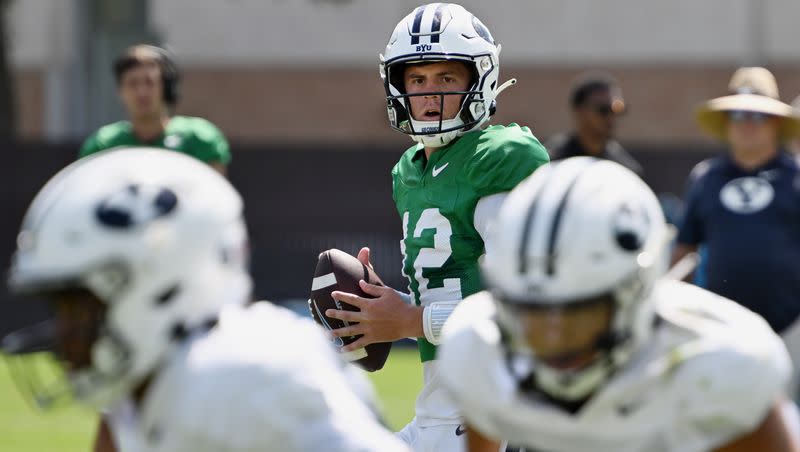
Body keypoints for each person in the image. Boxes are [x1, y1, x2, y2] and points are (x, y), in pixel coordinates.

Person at [1, 148, 409, 452]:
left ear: (159, 286)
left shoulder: (243, 374)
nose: (65, 332)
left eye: (79, 306)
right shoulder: (147, 386)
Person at [438, 157, 798, 452]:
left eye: (575, 315)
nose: (553, 338)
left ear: (636, 292)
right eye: (531, 312)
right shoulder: (477, 347)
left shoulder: (720, 364)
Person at [322, 4, 549, 452]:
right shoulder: (410, 171)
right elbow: (456, 292)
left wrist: (409, 319)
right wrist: (382, 309)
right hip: (439, 411)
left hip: (494, 414)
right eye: (417, 79)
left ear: (479, 80)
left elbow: (530, 310)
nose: (430, 95)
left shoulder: (498, 158)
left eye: (446, 78)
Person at [672, 67, 800, 396]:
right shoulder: (705, 178)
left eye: (757, 115)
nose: (746, 124)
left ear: (775, 123)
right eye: (738, 114)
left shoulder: (795, 178)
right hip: (720, 332)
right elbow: (684, 252)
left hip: (791, 330)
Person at [79, 45, 230, 175]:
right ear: (121, 92)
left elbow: (214, 198)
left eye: (149, 82)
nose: (141, 92)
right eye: (133, 83)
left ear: (166, 88)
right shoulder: (103, 145)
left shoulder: (199, 139)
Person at [546, 72, 643, 176]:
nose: (611, 117)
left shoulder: (626, 171)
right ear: (579, 111)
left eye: (617, 109)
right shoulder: (552, 164)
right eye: (603, 110)